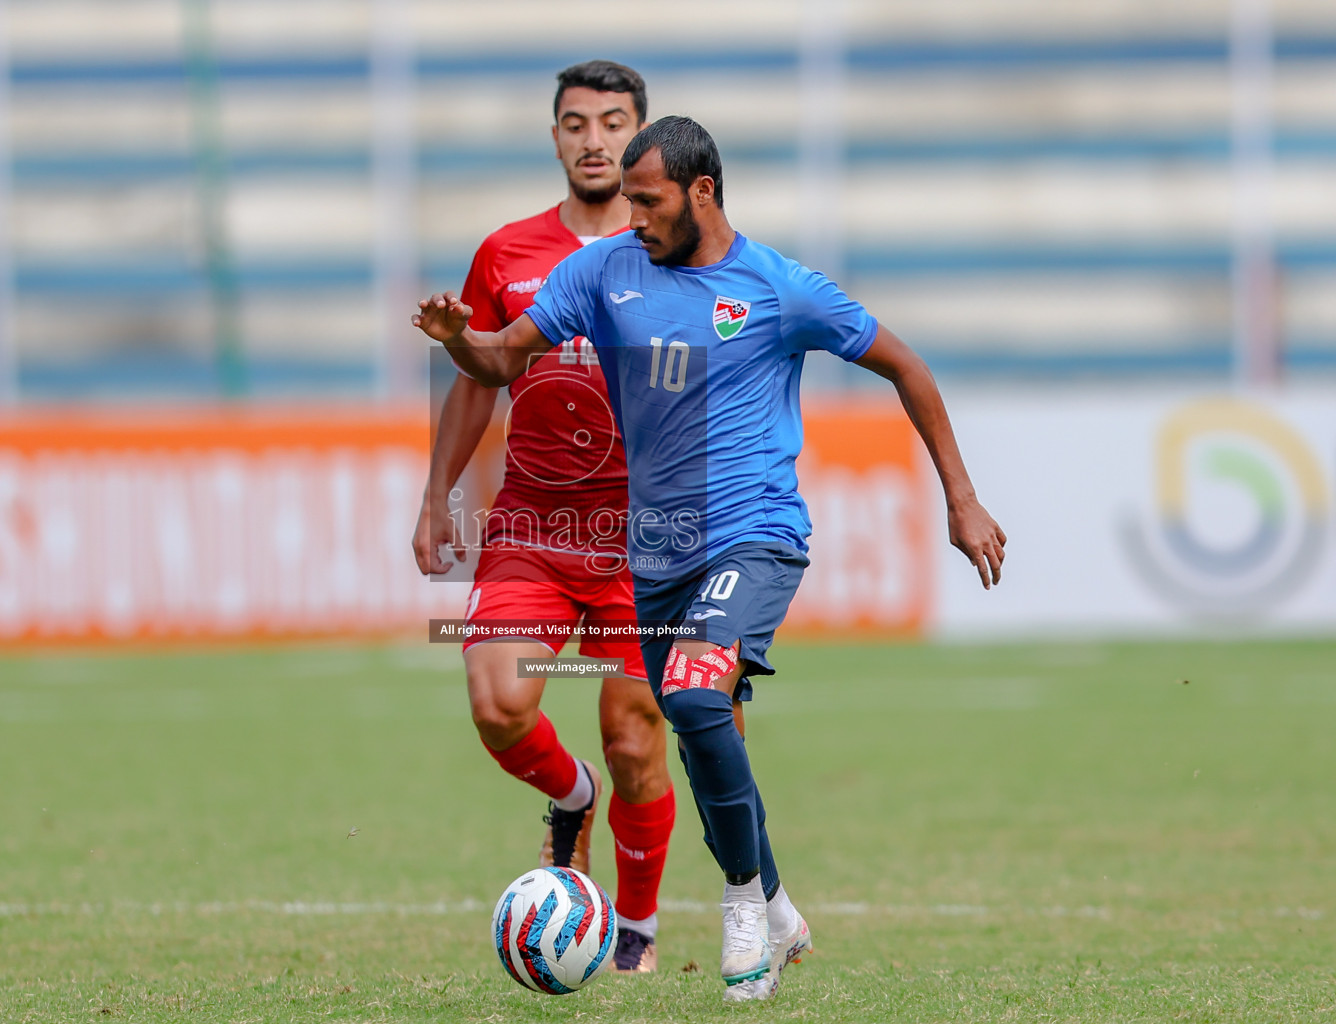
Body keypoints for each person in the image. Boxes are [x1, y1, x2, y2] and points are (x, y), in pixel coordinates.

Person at [413, 115, 1007, 1002]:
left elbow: (907, 367)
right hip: (656, 555)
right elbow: (500, 360)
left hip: (757, 534)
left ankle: (738, 910)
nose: (633, 217)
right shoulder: (603, 272)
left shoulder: (776, 286)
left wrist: (961, 499)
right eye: (627, 201)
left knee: (691, 693)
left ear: (701, 194)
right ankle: (774, 900)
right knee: (703, 727)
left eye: (647, 201)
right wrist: (459, 336)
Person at [410, 61, 673, 974]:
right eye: (575, 124)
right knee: (498, 702)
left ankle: (633, 929)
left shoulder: (676, 253)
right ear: (555, 136)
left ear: (641, 135)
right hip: (532, 534)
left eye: (611, 123)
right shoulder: (507, 254)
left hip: (644, 545)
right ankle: (570, 798)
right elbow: (478, 379)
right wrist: (439, 495)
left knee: (636, 734)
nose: (593, 140)